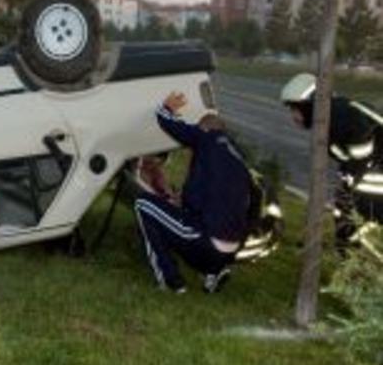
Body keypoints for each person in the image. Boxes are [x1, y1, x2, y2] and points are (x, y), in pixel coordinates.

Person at [134, 92, 252, 293]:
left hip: (206, 240)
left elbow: (168, 123)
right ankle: (213, 273)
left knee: (144, 205)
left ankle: (171, 282)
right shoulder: (239, 159)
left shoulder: (207, 136)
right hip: (233, 249)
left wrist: (166, 108)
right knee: (183, 219)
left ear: (203, 128)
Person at [281, 73, 383, 249]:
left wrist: (351, 175)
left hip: (376, 167)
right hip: (374, 165)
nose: (293, 116)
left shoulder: (336, 113)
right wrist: (348, 175)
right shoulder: (335, 113)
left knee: (356, 203)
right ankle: (348, 247)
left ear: (310, 103)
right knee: (345, 204)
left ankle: (351, 250)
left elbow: (361, 140)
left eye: (295, 109)